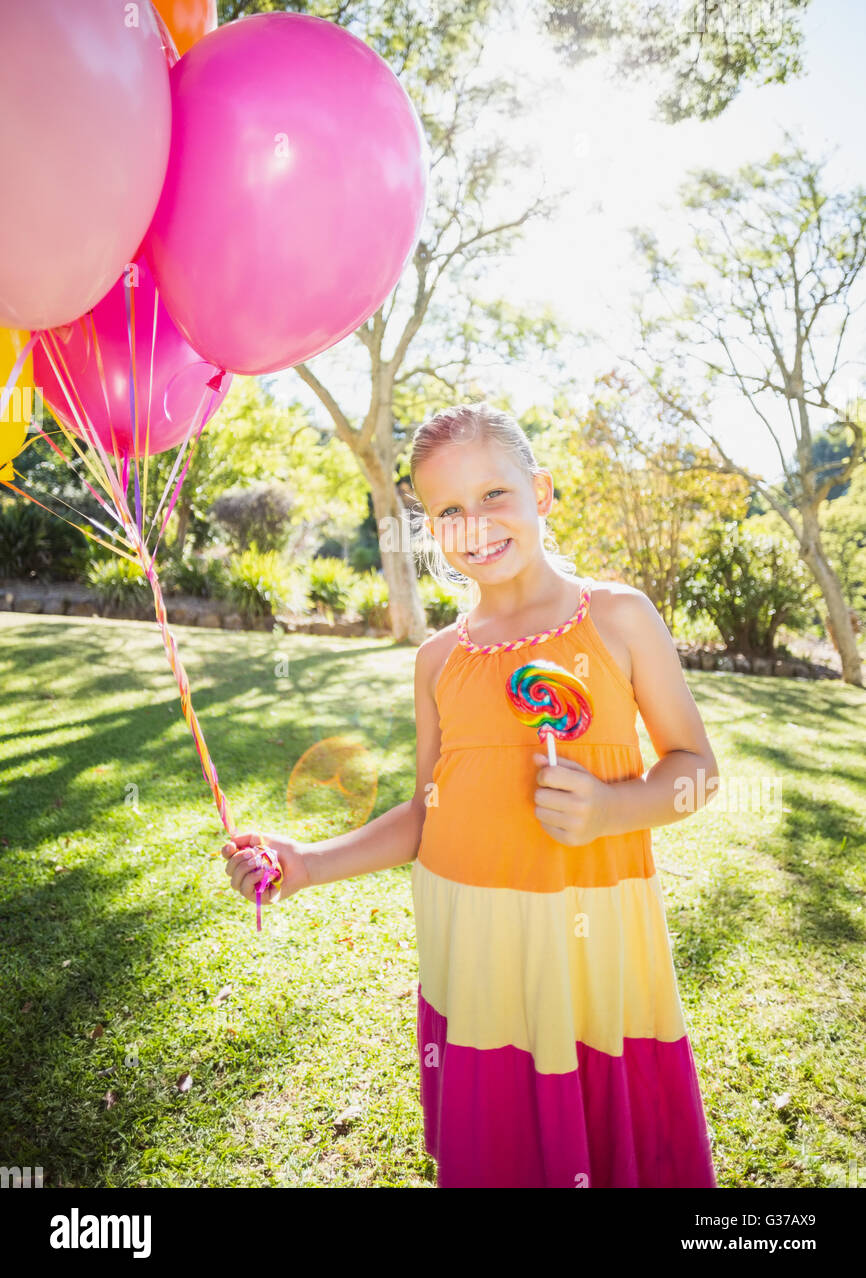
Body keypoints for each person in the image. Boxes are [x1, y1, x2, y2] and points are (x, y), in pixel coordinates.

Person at [222, 401, 719, 1188]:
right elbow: (427, 811)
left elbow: (697, 771)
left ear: (542, 492)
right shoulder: (439, 660)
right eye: (447, 510)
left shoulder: (619, 617)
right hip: (476, 953)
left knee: (599, 1138)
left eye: (494, 494)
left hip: (586, 952)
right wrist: (308, 863)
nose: (475, 523)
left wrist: (614, 808)